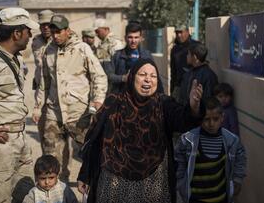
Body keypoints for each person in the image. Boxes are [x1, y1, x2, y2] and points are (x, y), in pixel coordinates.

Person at [77, 58, 204, 203]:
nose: (148, 80)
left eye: (153, 76)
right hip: (114, 183)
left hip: (154, 183)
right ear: (132, 77)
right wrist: (85, 174)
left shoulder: (163, 104)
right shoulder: (114, 102)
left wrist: (194, 107)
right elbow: (94, 141)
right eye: (143, 75)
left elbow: (184, 121)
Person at [32, 14, 107, 182]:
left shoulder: (82, 49)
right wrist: (38, 107)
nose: (56, 36)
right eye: (53, 32)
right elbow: (44, 82)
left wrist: (98, 100)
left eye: (59, 32)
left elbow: (99, 76)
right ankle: (58, 190)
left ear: (67, 30)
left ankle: (98, 185)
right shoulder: (48, 51)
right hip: (54, 112)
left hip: (79, 113)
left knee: (91, 151)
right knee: (51, 156)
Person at [0, 7, 39, 203]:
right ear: (17, 33)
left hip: (19, 139)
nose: (30, 35)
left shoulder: (16, 59)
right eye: (28, 31)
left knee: (26, 193)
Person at [174, 97, 246, 203]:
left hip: (221, 198)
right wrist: (181, 181)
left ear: (222, 118)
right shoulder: (188, 139)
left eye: (215, 119)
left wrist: (237, 179)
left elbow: (241, 156)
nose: (211, 124)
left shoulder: (231, 140)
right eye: (206, 119)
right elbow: (178, 159)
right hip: (195, 199)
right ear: (200, 118)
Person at [106, 21, 162, 93]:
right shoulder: (117, 55)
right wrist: (123, 78)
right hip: (121, 96)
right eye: (130, 37)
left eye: (136, 37)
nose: (133, 41)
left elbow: (156, 77)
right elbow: (109, 76)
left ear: (140, 38)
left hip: (142, 97)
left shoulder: (146, 55)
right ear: (125, 38)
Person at [31, 9, 54, 152]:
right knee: (43, 134)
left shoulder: (60, 40)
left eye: (48, 24)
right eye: (42, 24)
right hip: (41, 92)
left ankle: (63, 172)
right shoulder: (36, 41)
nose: (45, 27)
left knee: (56, 137)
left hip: (57, 94)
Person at [179, 42, 218, 106]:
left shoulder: (208, 76)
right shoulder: (189, 73)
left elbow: (208, 101)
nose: (186, 56)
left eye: (188, 54)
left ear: (194, 57)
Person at [170, 24, 198, 101]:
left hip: (193, 86)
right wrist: (172, 91)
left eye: (181, 32)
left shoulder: (196, 46)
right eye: (177, 33)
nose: (179, 35)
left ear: (187, 32)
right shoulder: (175, 49)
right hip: (179, 86)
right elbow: (173, 72)